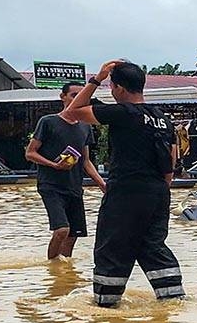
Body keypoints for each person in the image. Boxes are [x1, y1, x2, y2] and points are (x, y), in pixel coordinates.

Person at [64, 60, 185, 307]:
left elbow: (73, 112)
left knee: (113, 247)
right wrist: (160, 192)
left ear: (118, 88)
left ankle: (106, 309)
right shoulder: (162, 119)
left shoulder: (122, 113)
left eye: (111, 86)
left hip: (127, 192)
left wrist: (96, 79)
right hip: (159, 192)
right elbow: (169, 164)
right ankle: (173, 301)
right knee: (152, 246)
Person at [24, 82, 106, 260]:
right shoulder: (48, 122)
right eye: (73, 95)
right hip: (51, 185)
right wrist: (53, 165)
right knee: (62, 230)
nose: (77, 99)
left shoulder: (85, 126)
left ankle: (64, 272)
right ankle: (52, 266)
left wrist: (101, 183)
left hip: (74, 187)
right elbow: (30, 153)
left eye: (81, 95)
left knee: (72, 235)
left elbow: (85, 161)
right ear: (63, 97)